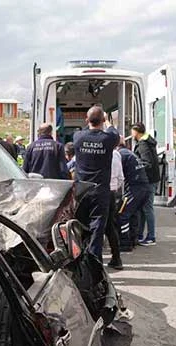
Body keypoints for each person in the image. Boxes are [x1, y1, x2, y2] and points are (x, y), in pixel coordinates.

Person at [73, 106, 119, 261]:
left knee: (80, 225)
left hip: (81, 190)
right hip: (100, 190)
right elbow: (114, 132)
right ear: (103, 120)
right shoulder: (108, 139)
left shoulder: (78, 136)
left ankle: (80, 257)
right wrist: (108, 122)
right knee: (98, 227)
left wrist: (92, 119)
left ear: (87, 120)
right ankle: (94, 260)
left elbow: (88, 128)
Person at [116, 137, 150, 252]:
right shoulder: (129, 153)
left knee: (123, 214)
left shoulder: (120, 155)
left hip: (135, 188)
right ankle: (133, 239)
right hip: (144, 187)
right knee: (134, 213)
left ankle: (125, 244)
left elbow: (117, 173)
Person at [131, 123, 161, 246]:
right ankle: (140, 235)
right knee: (144, 208)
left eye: (132, 131)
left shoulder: (143, 144)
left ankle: (151, 236)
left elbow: (147, 163)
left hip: (148, 180)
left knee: (147, 209)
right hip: (152, 179)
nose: (131, 134)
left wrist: (136, 170)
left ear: (137, 132)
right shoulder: (148, 142)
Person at [105, 143, 125, 269]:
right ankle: (116, 258)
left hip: (94, 191)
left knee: (92, 227)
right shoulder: (116, 154)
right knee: (110, 227)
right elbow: (121, 177)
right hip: (111, 192)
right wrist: (114, 188)